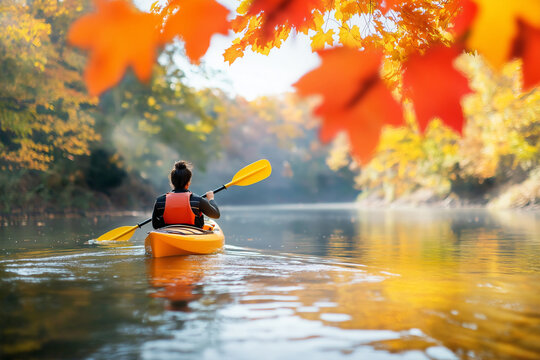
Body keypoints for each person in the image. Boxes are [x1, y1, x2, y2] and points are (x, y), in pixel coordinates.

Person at [152, 161, 220, 229]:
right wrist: (211, 199)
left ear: (172, 182)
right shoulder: (197, 201)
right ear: (188, 183)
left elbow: (155, 225)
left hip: (167, 235)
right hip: (193, 235)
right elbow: (216, 214)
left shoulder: (160, 201)